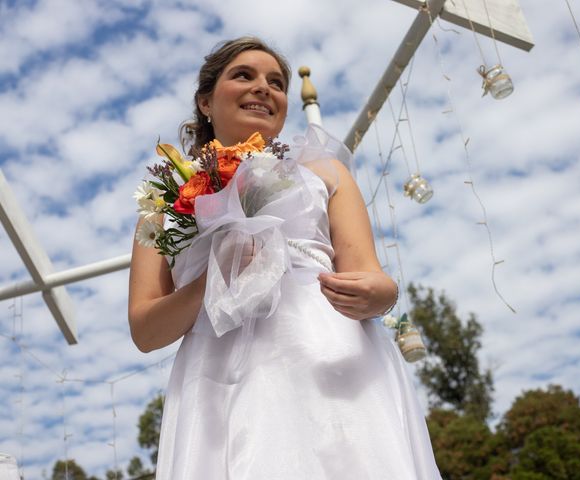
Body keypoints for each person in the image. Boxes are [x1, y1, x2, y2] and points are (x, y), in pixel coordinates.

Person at [128, 37, 442, 479]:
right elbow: (145, 330)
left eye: (276, 83)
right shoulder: (163, 203)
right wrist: (214, 279)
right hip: (217, 368)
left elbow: (374, 279)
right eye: (244, 75)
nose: (264, 88)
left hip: (325, 350)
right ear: (205, 101)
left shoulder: (326, 173)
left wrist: (378, 295)